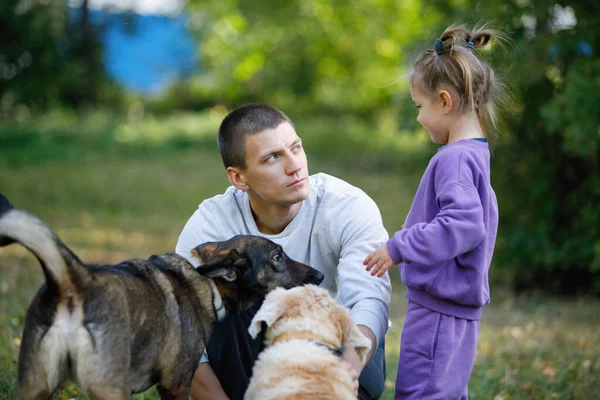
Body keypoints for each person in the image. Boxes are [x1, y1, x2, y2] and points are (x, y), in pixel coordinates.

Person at [176, 103, 392, 400]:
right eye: (273, 158)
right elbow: (181, 333)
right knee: (220, 310)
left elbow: (369, 298)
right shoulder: (212, 226)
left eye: (296, 147)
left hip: (338, 352)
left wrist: (347, 372)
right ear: (239, 178)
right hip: (253, 360)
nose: (295, 166)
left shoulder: (347, 206)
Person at [363, 24, 504, 399]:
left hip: (438, 309)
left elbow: (463, 225)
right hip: (455, 308)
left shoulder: (454, 160)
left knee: (422, 392)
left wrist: (400, 245)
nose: (419, 118)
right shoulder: (475, 153)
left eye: (419, 107)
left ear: (445, 101)